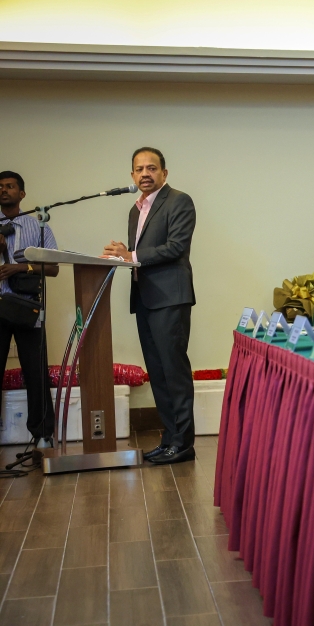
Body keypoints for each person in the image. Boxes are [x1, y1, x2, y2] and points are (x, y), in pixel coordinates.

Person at [103, 147, 197, 465]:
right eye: (139, 169)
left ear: (164, 173)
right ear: (132, 176)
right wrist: (125, 253)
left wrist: (130, 255)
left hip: (171, 298)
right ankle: (170, 439)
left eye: (152, 168)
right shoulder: (135, 210)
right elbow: (140, 253)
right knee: (157, 374)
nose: (145, 173)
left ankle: (184, 443)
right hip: (144, 298)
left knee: (174, 373)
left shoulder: (179, 201)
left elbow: (175, 247)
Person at [0, 171, 58, 447]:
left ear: (21, 194)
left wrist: (19, 266)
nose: (4, 190)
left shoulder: (37, 226)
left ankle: (43, 434)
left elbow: (54, 267)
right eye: (0, 187)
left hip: (27, 307)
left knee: (36, 371)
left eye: (10, 186)